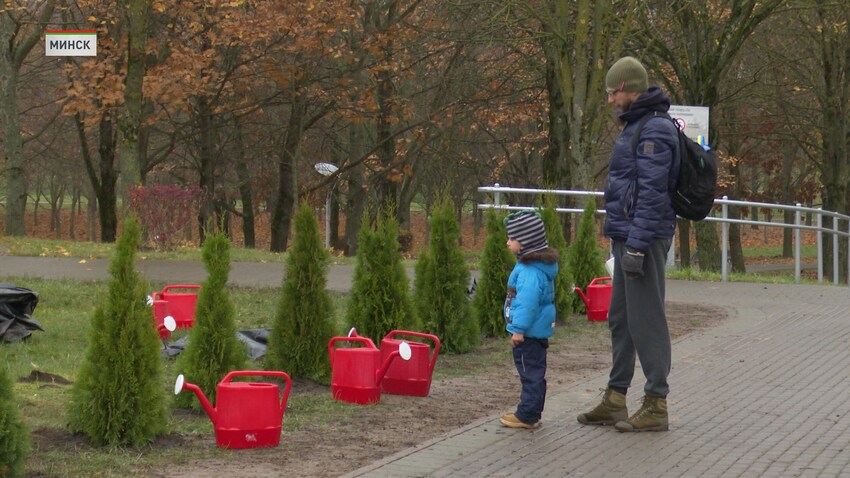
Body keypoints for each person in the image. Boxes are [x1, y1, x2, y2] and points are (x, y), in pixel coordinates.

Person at [576, 56, 679, 432]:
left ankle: (656, 402)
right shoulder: (636, 125)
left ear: (625, 89)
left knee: (646, 319)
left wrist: (636, 246)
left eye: (610, 92)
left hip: (644, 240)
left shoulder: (654, 130)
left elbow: (652, 194)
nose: (608, 100)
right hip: (628, 236)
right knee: (621, 318)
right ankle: (616, 397)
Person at [499, 210, 559, 429]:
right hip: (538, 331)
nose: (508, 243)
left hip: (528, 334)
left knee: (529, 373)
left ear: (524, 243)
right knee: (535, 372)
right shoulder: (537, 267)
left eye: (512, 239)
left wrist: (518, 329)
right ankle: (533, 411)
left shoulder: (529, 272)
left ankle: (527, 415)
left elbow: (527, 303)